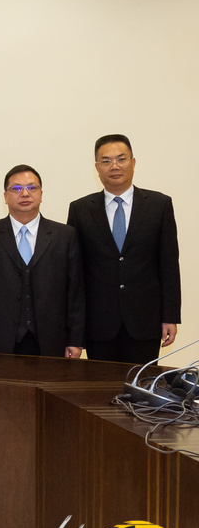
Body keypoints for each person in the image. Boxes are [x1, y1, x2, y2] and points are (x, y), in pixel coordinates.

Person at [66, 135, 181, 364]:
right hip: (99, 323)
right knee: (101, 385)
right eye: (106, 161)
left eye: (121, 159)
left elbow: (168, 264)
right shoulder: (80, 209)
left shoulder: (159, 205)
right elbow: (75, 273)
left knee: (142, 384)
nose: (114, 166)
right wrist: (74, 328)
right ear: (97, 168)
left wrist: (170, 316)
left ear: (133, 162)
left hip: (145, 321)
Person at [0, 166, 83, 359]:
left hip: (52, 340)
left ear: (41, 194)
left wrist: (75, 340)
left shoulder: (64, 236)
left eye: (32, 188)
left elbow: (75, 292)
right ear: (5, 196)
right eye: (16, 188)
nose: (25, 194)